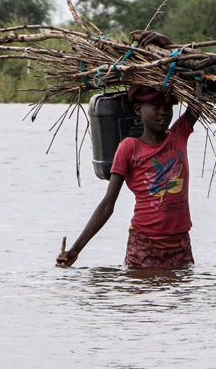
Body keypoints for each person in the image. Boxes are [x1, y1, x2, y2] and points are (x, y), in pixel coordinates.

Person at [56, 84, 199, 270]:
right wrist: (75, 250)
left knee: (180, 296)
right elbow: (108, 204)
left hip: (180, 244)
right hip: (145, 245)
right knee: (140, 297)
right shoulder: (130, 148)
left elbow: (200, 101)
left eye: (167, 107)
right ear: (138, 110)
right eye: (155, 107)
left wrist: (204, 77)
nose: (163, 112)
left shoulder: (179, 135)